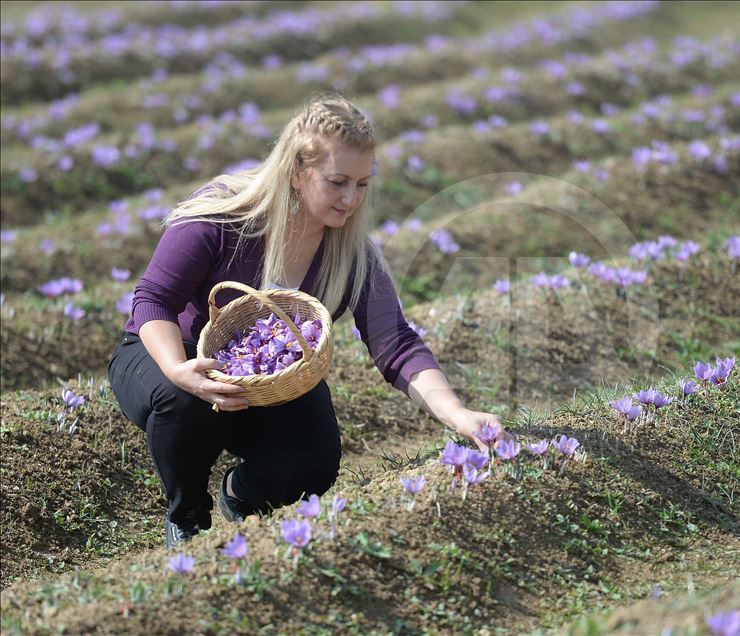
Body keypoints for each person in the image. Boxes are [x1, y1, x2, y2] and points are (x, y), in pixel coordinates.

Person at [106, 94, 504, 549]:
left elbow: (395, 343)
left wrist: (457, 414)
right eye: (338, 182)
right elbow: (153, 300)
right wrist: (179, 369)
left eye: (362, 184)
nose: (351, 199)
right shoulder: (222, 218)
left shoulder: (351, 255)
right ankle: (188, 517)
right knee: (186, 400)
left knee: (313, 461)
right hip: (169, 355)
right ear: (297, 172)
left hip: (271, 380)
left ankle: (242, 494)